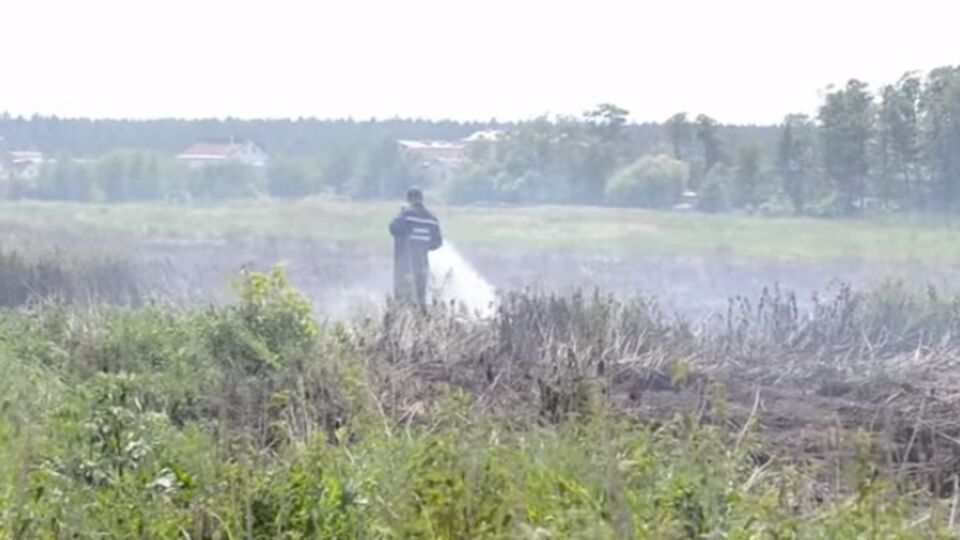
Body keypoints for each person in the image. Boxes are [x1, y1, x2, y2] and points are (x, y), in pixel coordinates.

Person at [389, 187, 443, 307]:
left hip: (405, 263)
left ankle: (403, 320)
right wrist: (424, 248)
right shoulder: (432, 218)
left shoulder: (406, 214)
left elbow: (393, 228)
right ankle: (421, 319)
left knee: (403, 295)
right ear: (421, 199)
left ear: (409, 199)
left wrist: (401, 213)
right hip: (423, 263)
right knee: (421, 296)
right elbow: (437, 242)